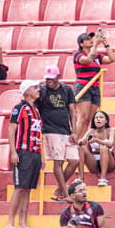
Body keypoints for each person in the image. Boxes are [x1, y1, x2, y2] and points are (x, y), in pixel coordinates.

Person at [37, 65, 78, 201]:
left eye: (52, 79)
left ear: (58, 78)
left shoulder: (66, 89)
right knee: (58, 162)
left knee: (74, 160)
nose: (49, 81)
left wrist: (74, 131)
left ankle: (59, 188)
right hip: (51, 130)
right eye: (47, 79)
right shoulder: (42, 90)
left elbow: (72, 110)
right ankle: (66, 194)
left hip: (66, 130)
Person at [7, 79, 42, 228]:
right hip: (23, 151)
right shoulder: (19, 108)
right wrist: (13, 151)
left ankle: (22, 222)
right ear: (27, 91)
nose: (38, 90)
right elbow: (11, 129)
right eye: (35, 88)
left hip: (35, 152)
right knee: (19, 187)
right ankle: (10, 222)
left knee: (27, 189)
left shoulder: (36, 110)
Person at [73, 31, 115, 146]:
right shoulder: (78, 54)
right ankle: (74, 140)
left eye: (91, 38)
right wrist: (96, 45)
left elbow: (112, 59)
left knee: (89, 119)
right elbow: (87, 60)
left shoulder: (96, 56)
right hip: (83, 86)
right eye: (87, 39)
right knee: (83, 116)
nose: (91, 40)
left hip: (94, 88)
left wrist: (106, 45)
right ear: (81, 43)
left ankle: (82, 142)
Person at [80, 111, 115, 188]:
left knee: (103, 147)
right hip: (94, 163)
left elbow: (110, 143)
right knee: (81, 148)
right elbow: (83, 141)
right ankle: (81, 179)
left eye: (101, 117)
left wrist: (96, 140)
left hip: (109, 162)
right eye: (96, 118)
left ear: (106, 121)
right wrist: (82, 141)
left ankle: (103, 179)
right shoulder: (91, 131)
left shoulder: (111, 131)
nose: (98, 119)